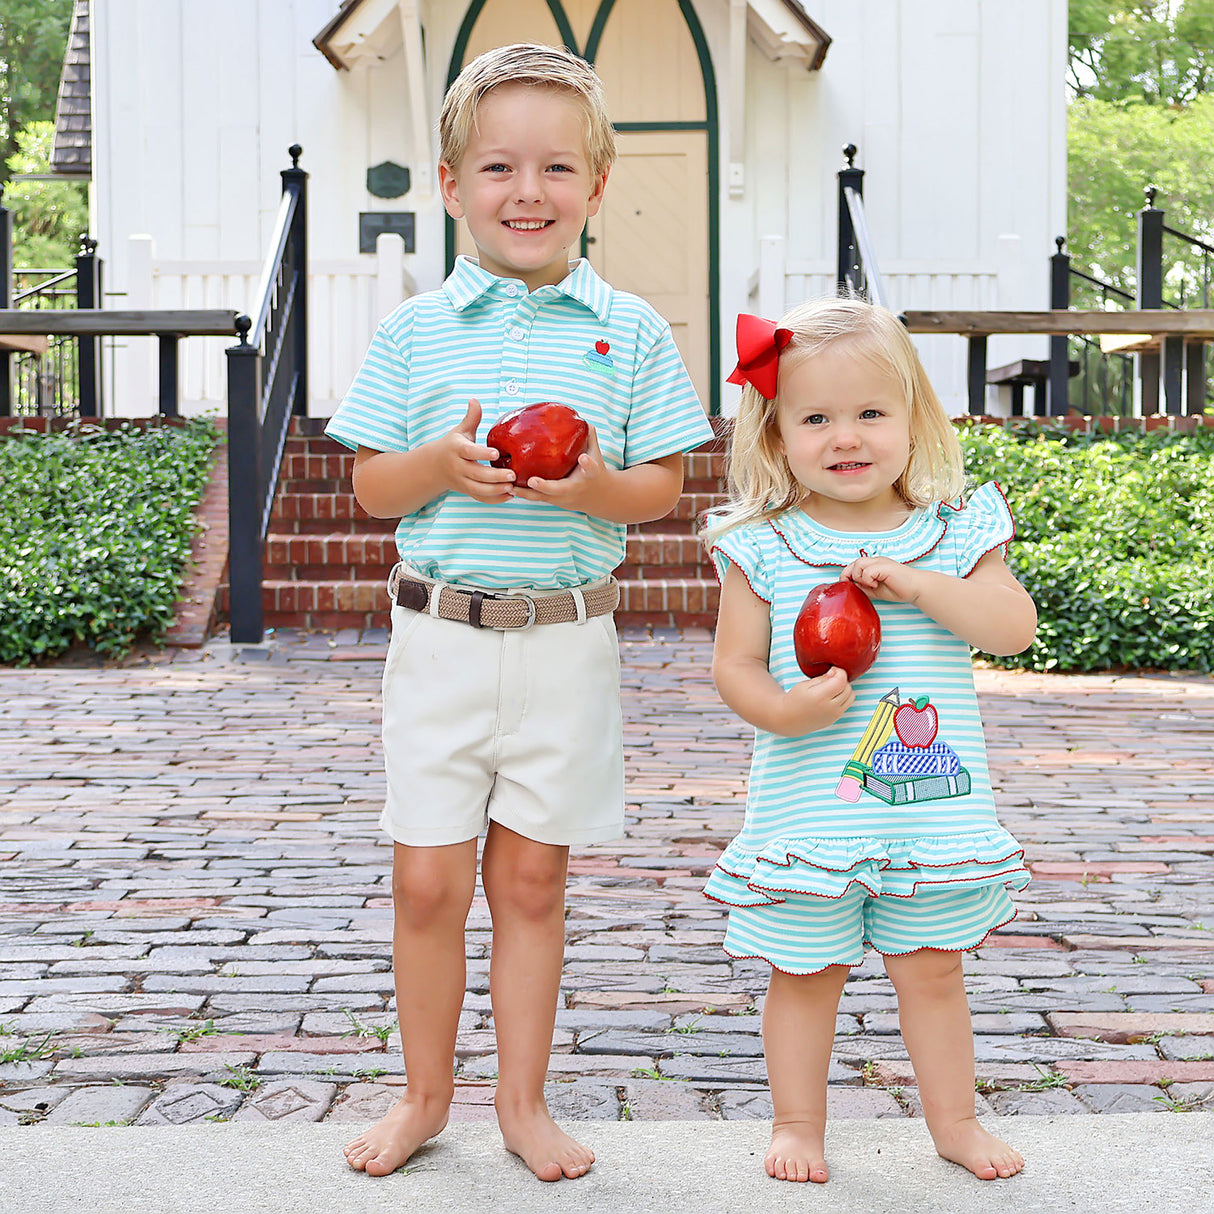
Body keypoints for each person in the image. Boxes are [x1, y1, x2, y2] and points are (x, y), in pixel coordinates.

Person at [325, 43, 714, 1182]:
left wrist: (593, 486)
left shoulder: (630, 330)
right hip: (440, 635)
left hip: (563, 640)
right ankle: (424, 1094)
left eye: (555, 168)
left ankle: (522, 1101)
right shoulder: (415, 332)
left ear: (596, 187)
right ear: (451, 185)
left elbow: (661, 486)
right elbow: (368, 486)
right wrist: (439, 465)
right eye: (497, 167)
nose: (526, 192)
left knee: (533, 879)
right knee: (427, 879)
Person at [702, 298, 1037, 1185]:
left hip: (930, 813)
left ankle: (957, 1123)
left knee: (932, 972)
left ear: (914, 421)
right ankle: (798, 1123)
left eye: (870, 414)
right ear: (776, 436)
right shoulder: (764, 544)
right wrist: (782, 710)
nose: (845, 437)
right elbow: (734, 664)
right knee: (806, 974)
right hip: (812, 811)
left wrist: (925, 586)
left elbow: (1011, 628)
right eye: (815, 418)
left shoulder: (952, 528)